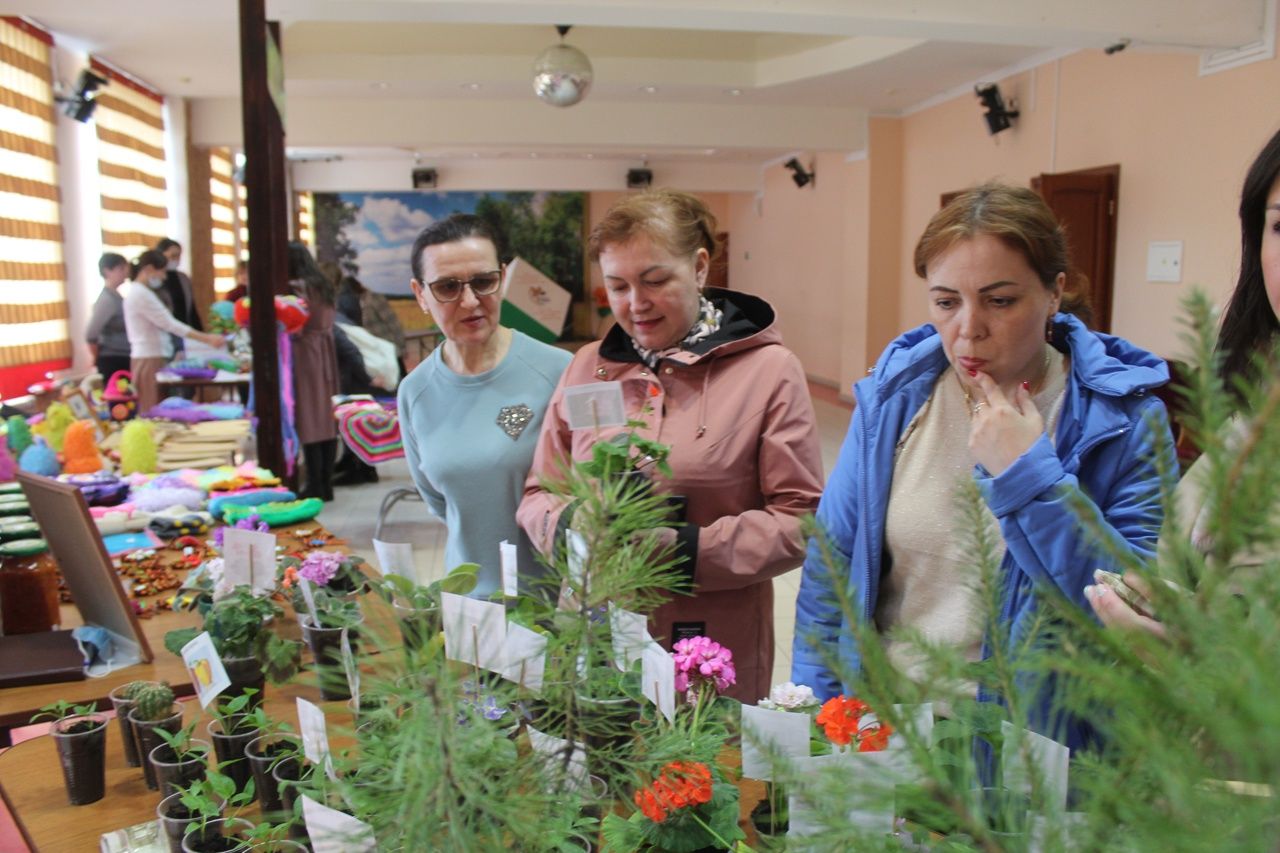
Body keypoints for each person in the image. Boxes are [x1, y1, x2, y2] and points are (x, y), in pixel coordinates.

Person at [791, 183, 1174, 749]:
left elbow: (1131, 613)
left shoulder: (1124, 420)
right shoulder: (896, 399)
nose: (968, 329)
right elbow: (830, 579)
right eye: (946, 302)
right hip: (888, 736)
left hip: (1036, 751)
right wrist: (816, 726)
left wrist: (1029, 475)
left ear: (1054, 293)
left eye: (999, 300)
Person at [518, 189, 824, 702]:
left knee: (702, 777)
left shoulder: (769, 371)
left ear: (700, 267)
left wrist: (680, 551)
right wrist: (572, 527)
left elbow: (800, 520)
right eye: (617, 286)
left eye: (655, 281)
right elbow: (538, 493)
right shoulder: (587, 366)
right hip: (595, 630)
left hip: (708, 641)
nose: (635, 304)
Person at [1087, 127, 1280, 635]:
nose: (970, 329)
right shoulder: (1250, 404)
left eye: (1001, 299)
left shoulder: (1120, 410)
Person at [398, 214, 572, 599]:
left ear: (503, 277)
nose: (470, 301)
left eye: (483, 281)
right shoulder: (415, 393)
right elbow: (440, 502)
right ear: (420, 294)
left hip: (556, 606)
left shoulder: (557, 372)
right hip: (469, 608)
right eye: (447, 287)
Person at [122, 250, 225, 412]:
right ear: (148, 269)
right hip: (149, 357)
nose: (164, 277)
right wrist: (207, 339)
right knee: (152, 409)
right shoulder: (140, 293)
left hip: (154, 355)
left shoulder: (144, 292)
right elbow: (170, 324)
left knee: (159, 406)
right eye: (161, 271)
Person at [287, 242, 341, 501]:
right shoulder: (323, 283)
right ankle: (325, 483)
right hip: (326, 352)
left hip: (306, 353)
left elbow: (296, 325)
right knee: (326, 420)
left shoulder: (298, 288)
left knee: (309, 419)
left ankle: (315, 484)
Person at [86, 252, 132, 382]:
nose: (125, 273)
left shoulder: (116, 296)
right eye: (121, 269)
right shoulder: (107, 300)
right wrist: (96, 357)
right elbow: (91, 335)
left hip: (123, 355)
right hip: (113, 358)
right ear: (107, 271)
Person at [155, 238, 203, 333]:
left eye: (178, 256)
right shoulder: (156, 280)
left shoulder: (183, 278)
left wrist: (200, 332)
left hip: (186, 329)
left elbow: (192, 309)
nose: (176, 259)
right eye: (172, 256)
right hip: (166, 332)